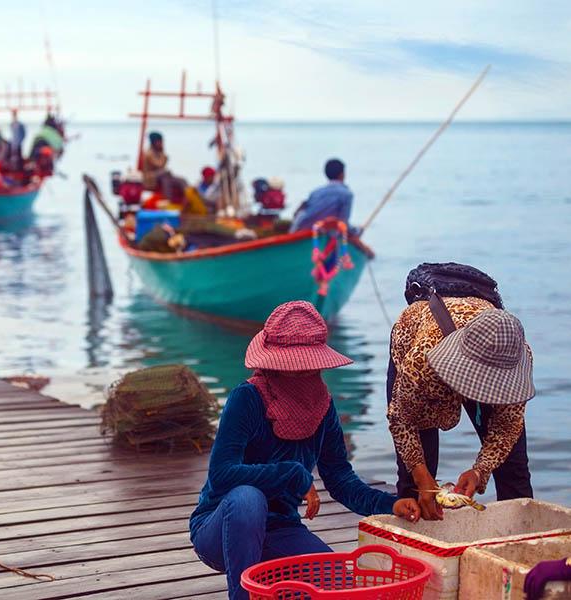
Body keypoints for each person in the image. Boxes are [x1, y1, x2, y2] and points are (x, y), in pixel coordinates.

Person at [190, 301, 420, 600]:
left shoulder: (322, 405)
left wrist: (390, 504)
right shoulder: (246, 398)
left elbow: (340, 478)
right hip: (222, 527)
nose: (301, 374)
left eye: (308, 367)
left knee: (341, 587)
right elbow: (222, 475)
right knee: (248, 497)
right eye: (293, 368)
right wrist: (293, 474)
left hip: (280, 529)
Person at [388, 291, 535, 520]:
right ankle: (413, 534)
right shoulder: (422, 359)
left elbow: (508, 426)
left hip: (482, 349)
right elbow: (401, 419)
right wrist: (420, 473)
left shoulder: (515, 356)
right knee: (416, 481)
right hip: (423, 346)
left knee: (513, 469)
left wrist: (479, 472)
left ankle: (520, 535)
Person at [290, 159, 355, 233]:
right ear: (342, 174)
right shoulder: (347, 194)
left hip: (304, 230)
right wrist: (356, 231)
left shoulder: (315, 192)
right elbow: (343, 223)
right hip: (325, 233)